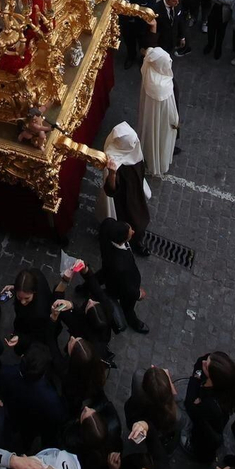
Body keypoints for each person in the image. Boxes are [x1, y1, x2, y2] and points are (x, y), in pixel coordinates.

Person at [96, 124, 150, 252]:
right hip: (124, 197)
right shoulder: (113, 159)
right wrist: (113, 174)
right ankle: (133, 241)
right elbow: (111, 190)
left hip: (135, 188)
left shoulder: (132, 147)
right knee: (134, 221)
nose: (135, 143)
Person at [183, 351, 235, 462]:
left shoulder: (211, 404)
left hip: (203, 433)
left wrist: (196, 378)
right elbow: (201, 361)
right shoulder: (225, 381)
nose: (204, 362)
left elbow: (190, 406)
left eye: (206, 366)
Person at [97, 218, 147, 334]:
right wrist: (139, 294)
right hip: (118, 283)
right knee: (128, 306)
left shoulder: (107, 224)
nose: (133, 232)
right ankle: (131, 320)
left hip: (107, 266)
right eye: (130, 233)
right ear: (121, 241)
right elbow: (128, 289)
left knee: (99, 277)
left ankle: (85, 287)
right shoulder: (121, 265)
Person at [138, 47, 179, 177]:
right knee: (161, 141)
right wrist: (175, 121)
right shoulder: (163, 86)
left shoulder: (149, 69)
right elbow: (170, 110)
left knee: (151, 137)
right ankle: (161, 162)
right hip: (162, 120)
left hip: (150, 115)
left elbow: (149, 52)